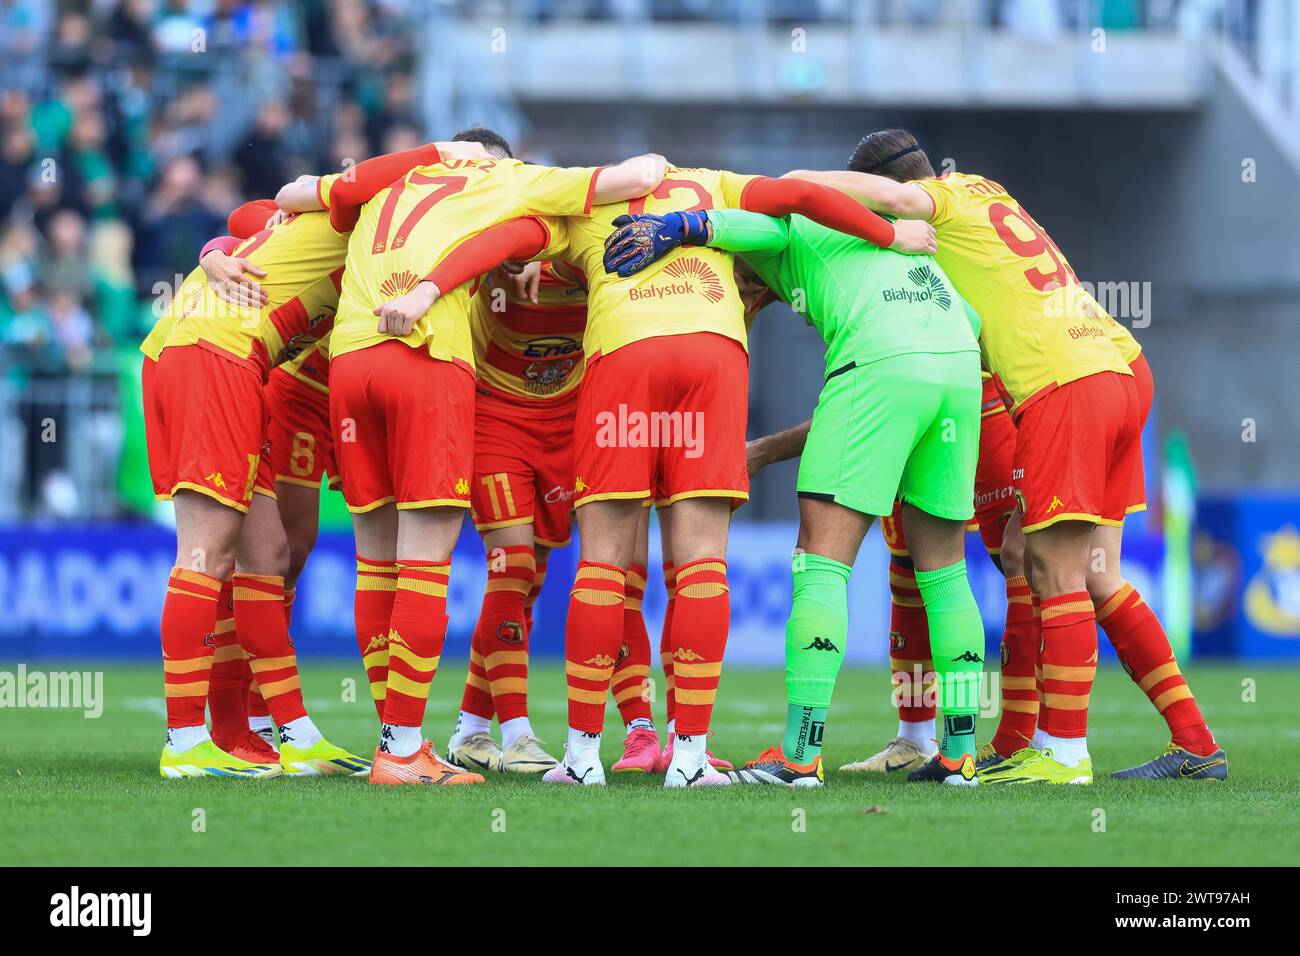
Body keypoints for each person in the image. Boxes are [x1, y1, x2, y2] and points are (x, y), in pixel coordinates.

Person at [784, 130, 1226, 782]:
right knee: (1096, 574)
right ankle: (1195, 742)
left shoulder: (931, 205)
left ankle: (1062, 754)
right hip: (1121, 364)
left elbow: (887, 197)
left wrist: (795, 184)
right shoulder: (987, 192)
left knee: (1051, 570)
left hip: (1063, 381)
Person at [322, 126, 672, 786]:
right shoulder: (486, 219)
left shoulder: (580, 234)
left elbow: (299, 203)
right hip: (489, 412)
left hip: (570, 420)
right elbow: (636, 173)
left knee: (607, 569)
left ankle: (474, 729)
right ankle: (508, 733)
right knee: (510, 566)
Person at [605, 205, 986, 786]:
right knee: (946, 574)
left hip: (880, 367)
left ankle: (800, 757)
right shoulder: (903, 256)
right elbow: (971, 324)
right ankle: (960, 755)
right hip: (958, 372)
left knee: (821, 567)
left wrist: (677, 227)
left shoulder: (795, 229)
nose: (742, 302)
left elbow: (748, 226)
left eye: (736, 288)